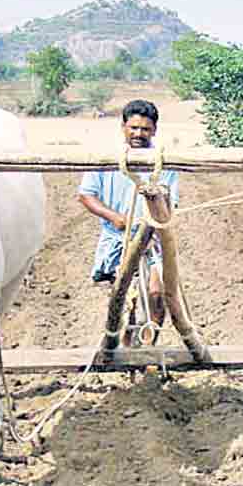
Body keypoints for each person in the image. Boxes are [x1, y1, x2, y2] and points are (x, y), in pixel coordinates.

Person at [76, 99, 179, 330]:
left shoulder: (163, 163)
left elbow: (171, 202)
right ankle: (124, 348)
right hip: (118, 238)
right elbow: (86, 195)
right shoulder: (105, 159)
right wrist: (115, 217)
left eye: (145, 129)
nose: (139, 133)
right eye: (134, 127)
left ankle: (150, 345)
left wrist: (156, 203)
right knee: (123, 300)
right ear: (123, 127)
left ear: (154, 130)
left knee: (156, 295)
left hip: (153, 239)